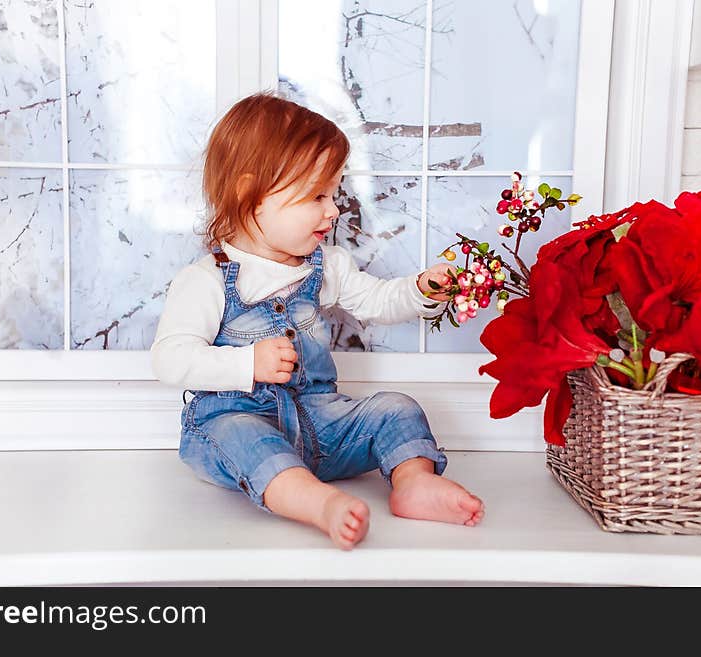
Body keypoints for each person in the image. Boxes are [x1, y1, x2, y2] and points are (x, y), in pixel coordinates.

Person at [151, 92, 484, 549]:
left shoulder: (325, 266)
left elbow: (378, 301)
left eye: (334, 193)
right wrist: (246, 363)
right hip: (237, 419)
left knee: (396, 408)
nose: (332, 210)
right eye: (317, 195)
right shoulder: (207, 279)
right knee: (245, 438)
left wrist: (421, 289)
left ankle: (414, 482)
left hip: (320, 425)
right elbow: (171, 359)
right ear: (252, 195)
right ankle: (317, 503)